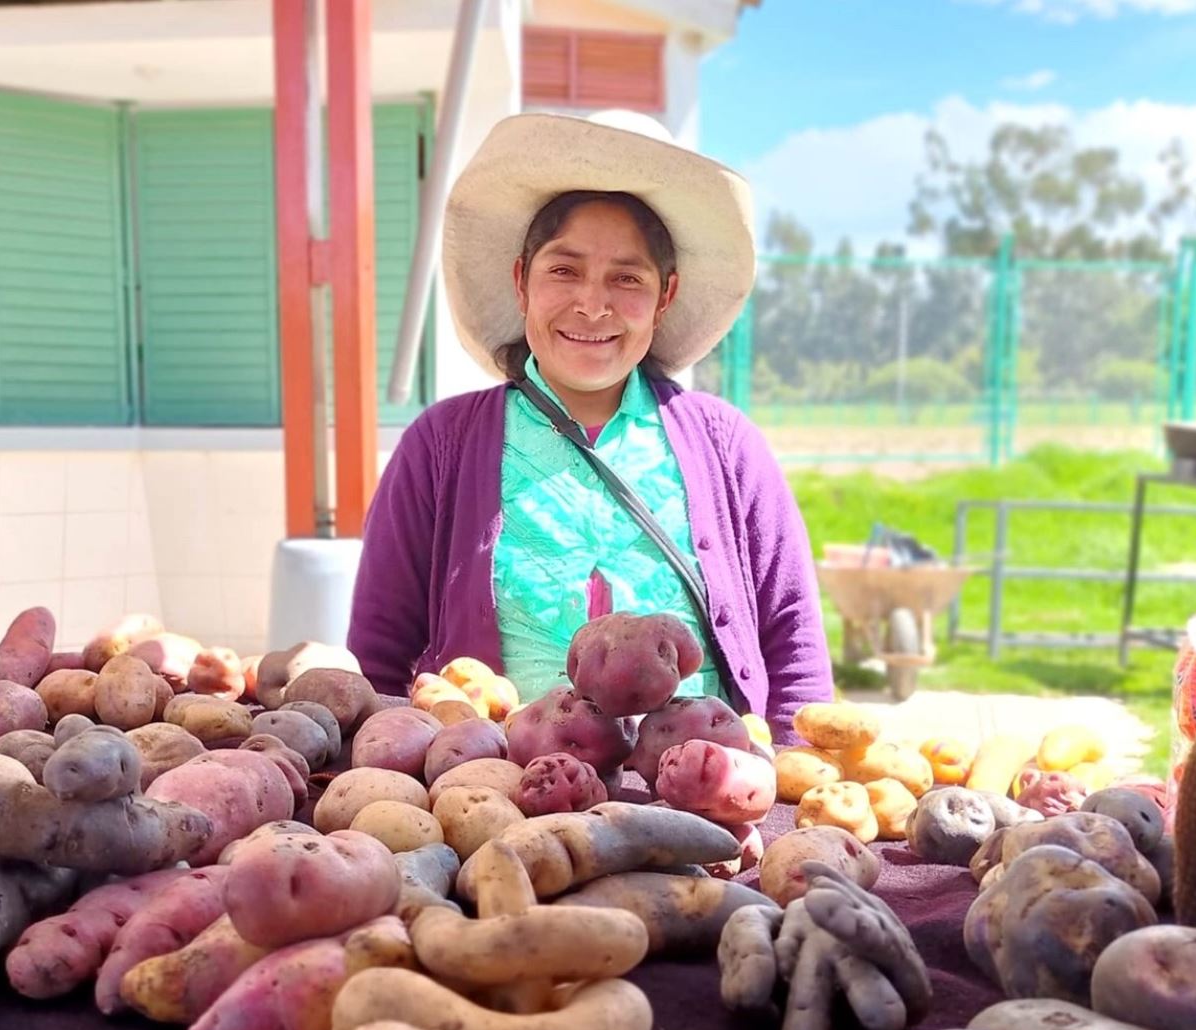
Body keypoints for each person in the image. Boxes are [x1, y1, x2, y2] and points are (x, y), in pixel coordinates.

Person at [347, 110, 834, 736]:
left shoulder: (724, 444)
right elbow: (378, 660)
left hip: (702, 806)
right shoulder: (440, 447)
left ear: (665, 296)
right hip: (495, 803)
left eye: (626, 278)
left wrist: (791, 781)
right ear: (522, 281)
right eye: (564, 269)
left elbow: (793, 644)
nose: (593, 304)